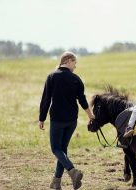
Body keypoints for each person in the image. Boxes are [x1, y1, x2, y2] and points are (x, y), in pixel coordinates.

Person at [38, 51, 94, 190]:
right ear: (68, 61)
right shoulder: (76, 79)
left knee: (56, 148)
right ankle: (56, 182)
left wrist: (42, 118)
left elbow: (46, 99)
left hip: (57, 120)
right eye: (75, 63)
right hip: (72, 121)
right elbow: (82, 100)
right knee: (62, 149)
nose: (75, 66)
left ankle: (72, 171)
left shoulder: (51, 77)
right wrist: (90, 115)